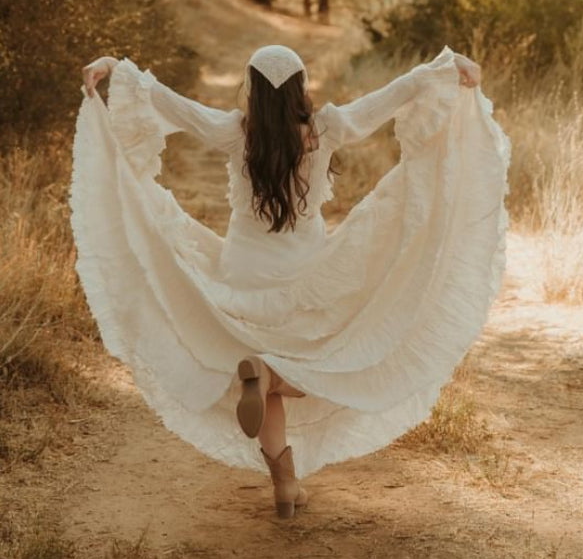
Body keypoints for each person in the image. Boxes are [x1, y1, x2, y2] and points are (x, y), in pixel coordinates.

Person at [73, 44, 508, 519]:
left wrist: (117, 68)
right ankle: (273, 382)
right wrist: (449, 68)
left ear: (253, 90)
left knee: (262, 368)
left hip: (240, 271)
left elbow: (163, 99)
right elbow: (396, 92)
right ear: (300, 86)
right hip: (306, 272)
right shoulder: (328, 128)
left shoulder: (234, 131)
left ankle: (285, 484)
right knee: (324, 362)